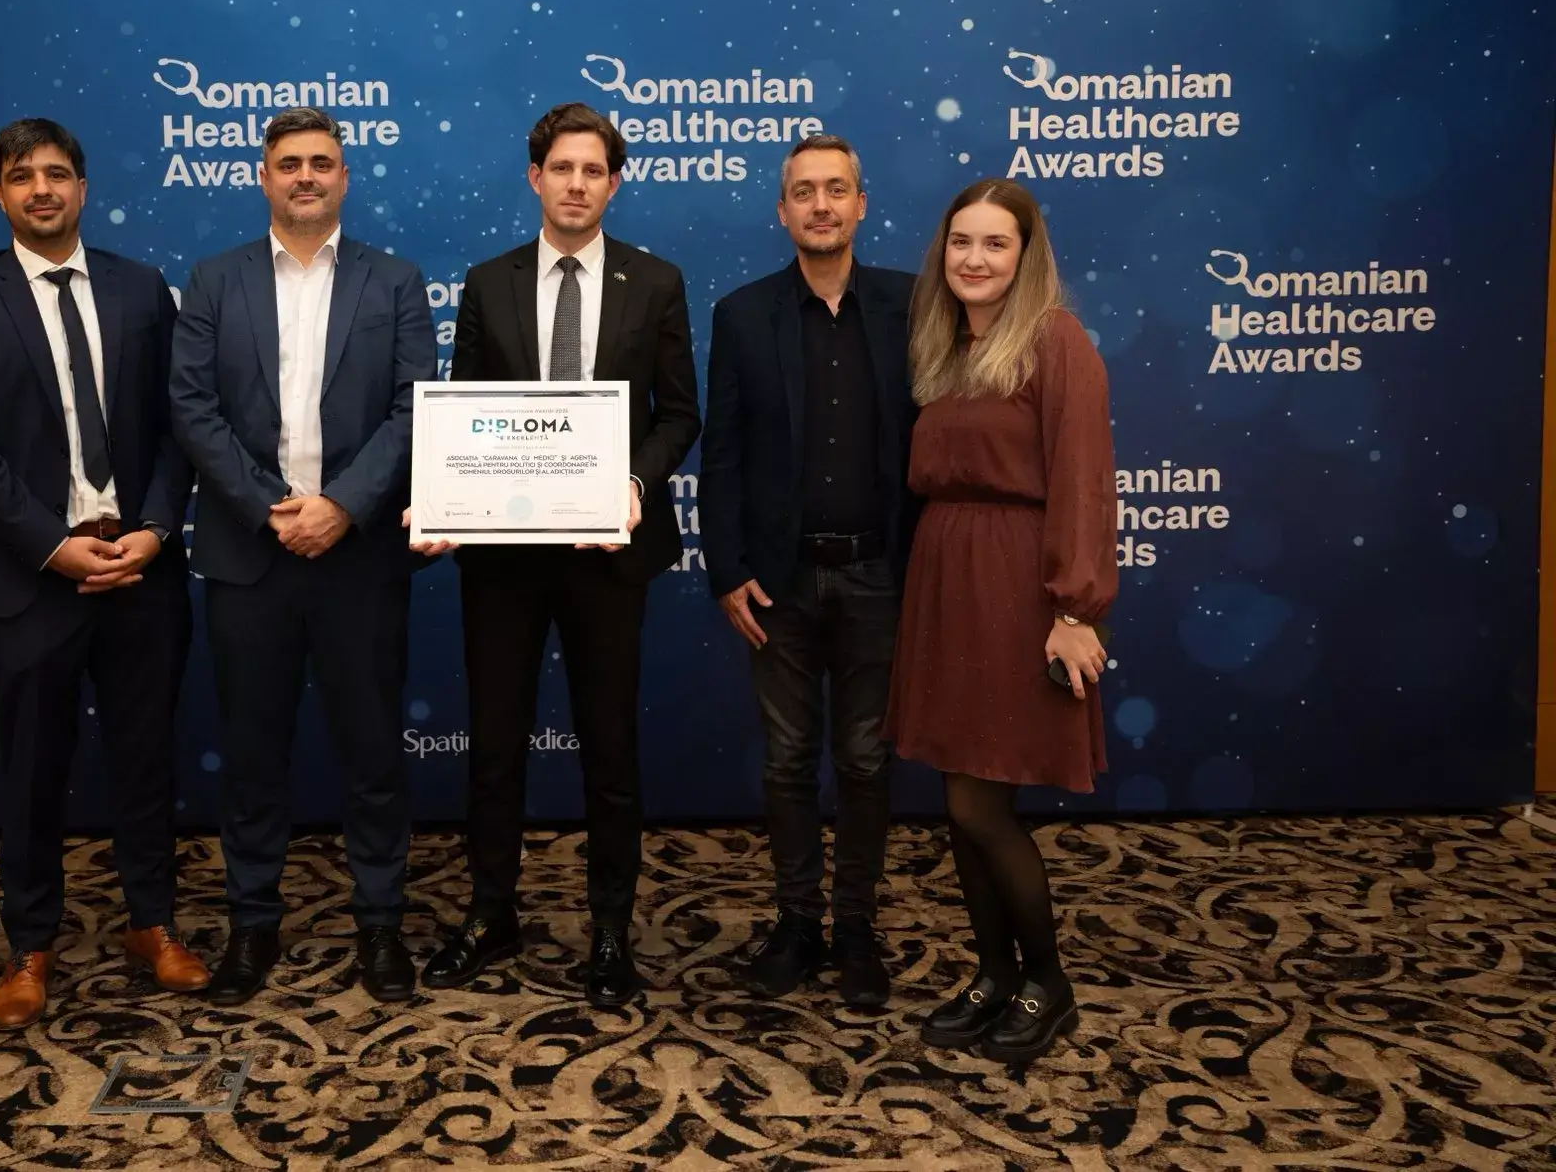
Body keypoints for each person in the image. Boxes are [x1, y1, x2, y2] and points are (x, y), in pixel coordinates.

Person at [0, 118, 202, 1028]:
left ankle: (151, 923)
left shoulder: (140, 287)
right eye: (21, 176)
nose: (41, 189)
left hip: (141, 569)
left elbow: (179, 425)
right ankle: (30, 944)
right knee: (34, 769)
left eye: (56, 173)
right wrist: (52, 544)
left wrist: (155, 530)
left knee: (145, 759)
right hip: (31, 576)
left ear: (83, 186)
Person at [421, 101, 701, 1009]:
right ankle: (490, 913)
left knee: (610, 749)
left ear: (614, 184)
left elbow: (680, 414)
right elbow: (463, 412)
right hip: (503, 558)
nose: (577, 185)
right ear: (535, 177)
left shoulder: (654, 282)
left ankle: (611, 930)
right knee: (495, 745)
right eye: (562, 169)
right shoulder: (487, 281)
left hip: (605, 553)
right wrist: (445, 494)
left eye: (594, 171)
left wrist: (635, 480)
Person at [168, 108, 433, 1004]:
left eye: (322, 162)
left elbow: (413, 407)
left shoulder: (395, 281)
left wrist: (343, 507)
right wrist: (270, 508)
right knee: (252, 755)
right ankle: (252, 925)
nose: (306, 176)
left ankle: (381, 924)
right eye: (290, 163)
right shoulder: (214, 280)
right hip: (253, 555)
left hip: (359, 557)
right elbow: (192, 407)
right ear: (263, 177)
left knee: (374, 754)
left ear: (345, 177)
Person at [887, 178, 1116, 1065]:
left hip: (1018, 588)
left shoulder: (1056, 341)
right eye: (960, 242)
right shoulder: (944, 344)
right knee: (959, 801)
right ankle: (992, 975)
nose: (974, 259)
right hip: (946, 579)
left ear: (1026, 256)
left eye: (994, 244)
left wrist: (1074, 607)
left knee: (982, 805)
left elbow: (1083, 478)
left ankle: (1047, 983)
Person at [698, 135, 918, 1006]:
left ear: (862, 204)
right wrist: (726, 569)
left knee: (865, 761)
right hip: (778, 585)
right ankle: (796, 923)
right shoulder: (742, 314)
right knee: (788, 762)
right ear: (781, 210)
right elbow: (722, 455)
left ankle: (856, 927)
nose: (820, 205)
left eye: (835, 190)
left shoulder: (913, 306)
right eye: (803, 192)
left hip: (880, 577)